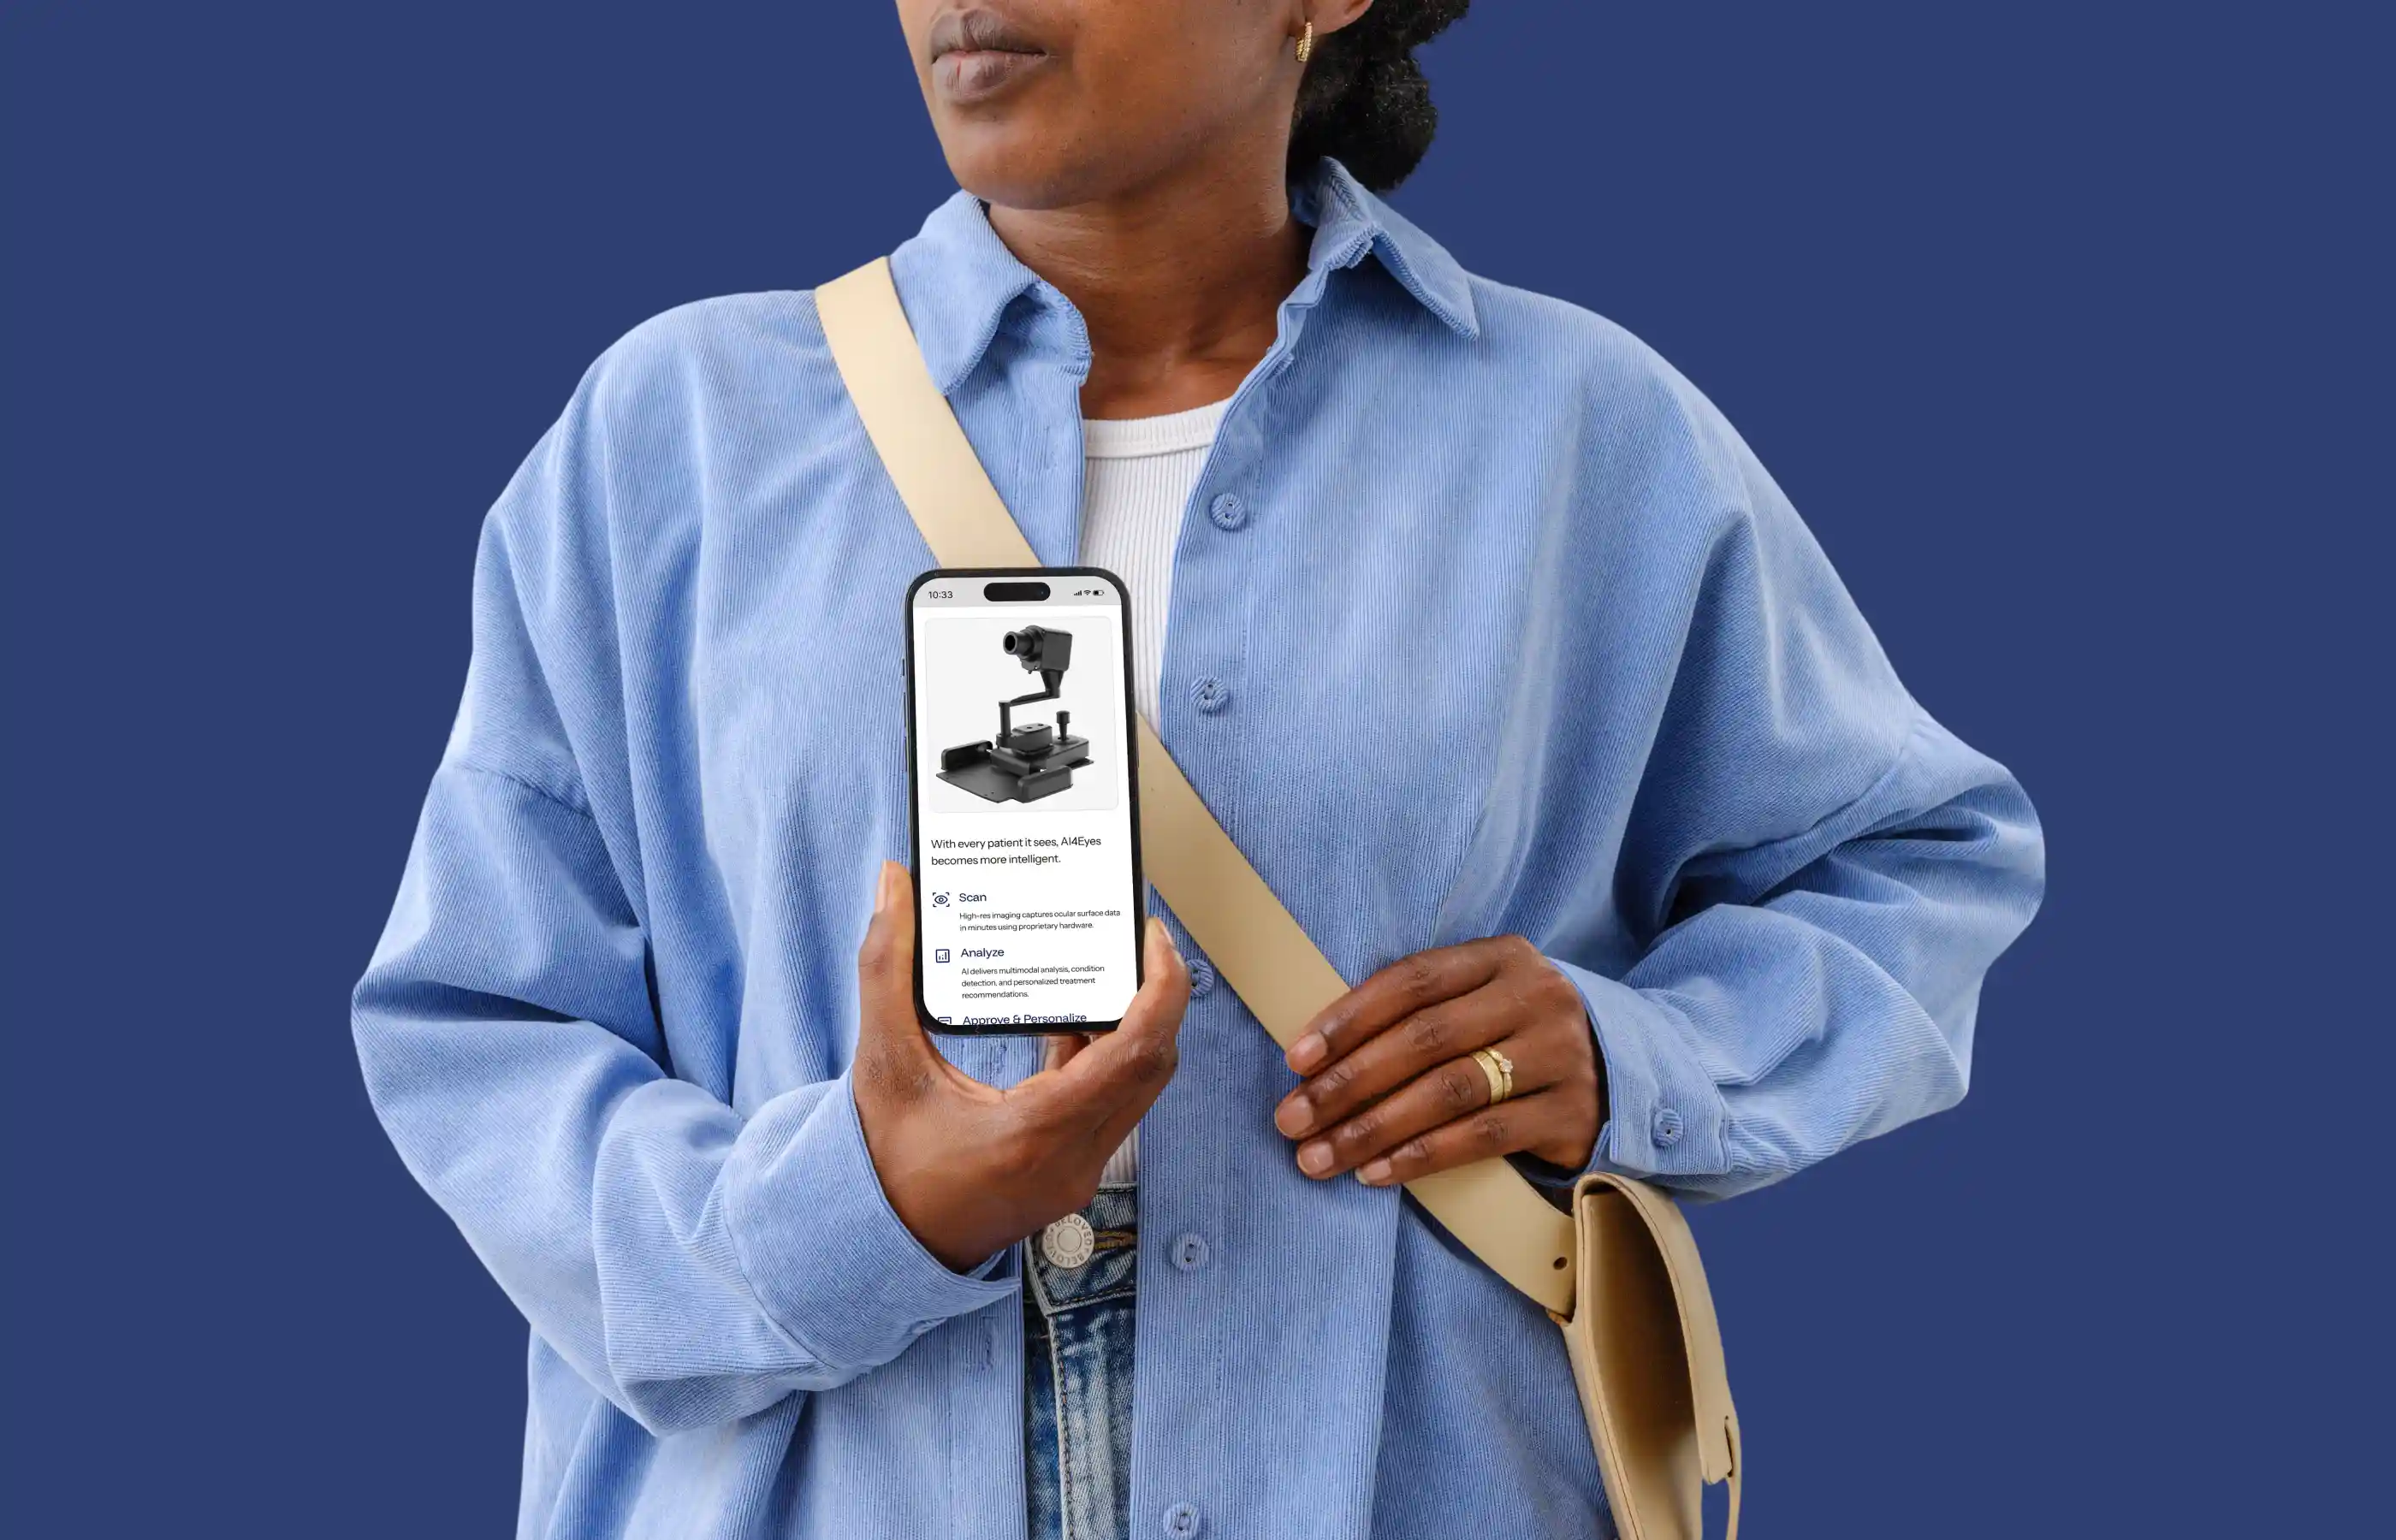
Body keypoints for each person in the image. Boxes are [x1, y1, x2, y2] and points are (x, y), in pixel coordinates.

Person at [353, 3, 2045, 1536]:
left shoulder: (1583, 436)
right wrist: (855, 1212)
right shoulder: (671, 440)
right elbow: (476, 1029)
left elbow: (1915, 860)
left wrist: (1632, 1052)